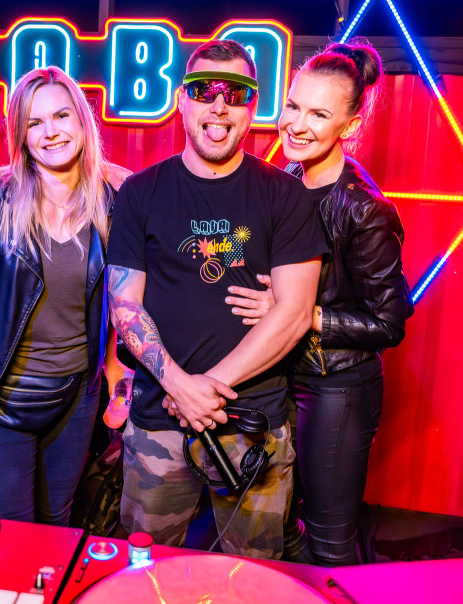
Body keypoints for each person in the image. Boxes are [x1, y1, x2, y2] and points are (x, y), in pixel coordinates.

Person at [106, 40, 327, 559]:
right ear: (183, 100)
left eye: (237, 92)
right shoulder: (140, 193)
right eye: (205, 90)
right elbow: (125, 306)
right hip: (159, 423)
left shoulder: (285, 196)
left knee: (253, 578)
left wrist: (202, 392)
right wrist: (178, 385)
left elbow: (295, 313)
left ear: (253, 107)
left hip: (253, 427)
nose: (220, 105)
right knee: (143, 571)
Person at [228, 39, 414, 565]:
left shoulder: (364, 209)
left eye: (318, 114)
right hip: (277, 376)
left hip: (336, 387)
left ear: (349, 126)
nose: (297, 124)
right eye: (293, 106)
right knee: (279, 527)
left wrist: (300, 315)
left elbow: (389, 321)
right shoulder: (286, 182)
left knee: (330, 544)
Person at [0, 66, 132, 525]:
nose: (50, 132)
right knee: (6, 535)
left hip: (76, 400)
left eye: (61, 116)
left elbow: (122, 300)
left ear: (82, 120)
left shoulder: (113, 201)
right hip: (0, 400)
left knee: (58, 524)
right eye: (34, 122)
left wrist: (115, 371)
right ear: (20, 135)